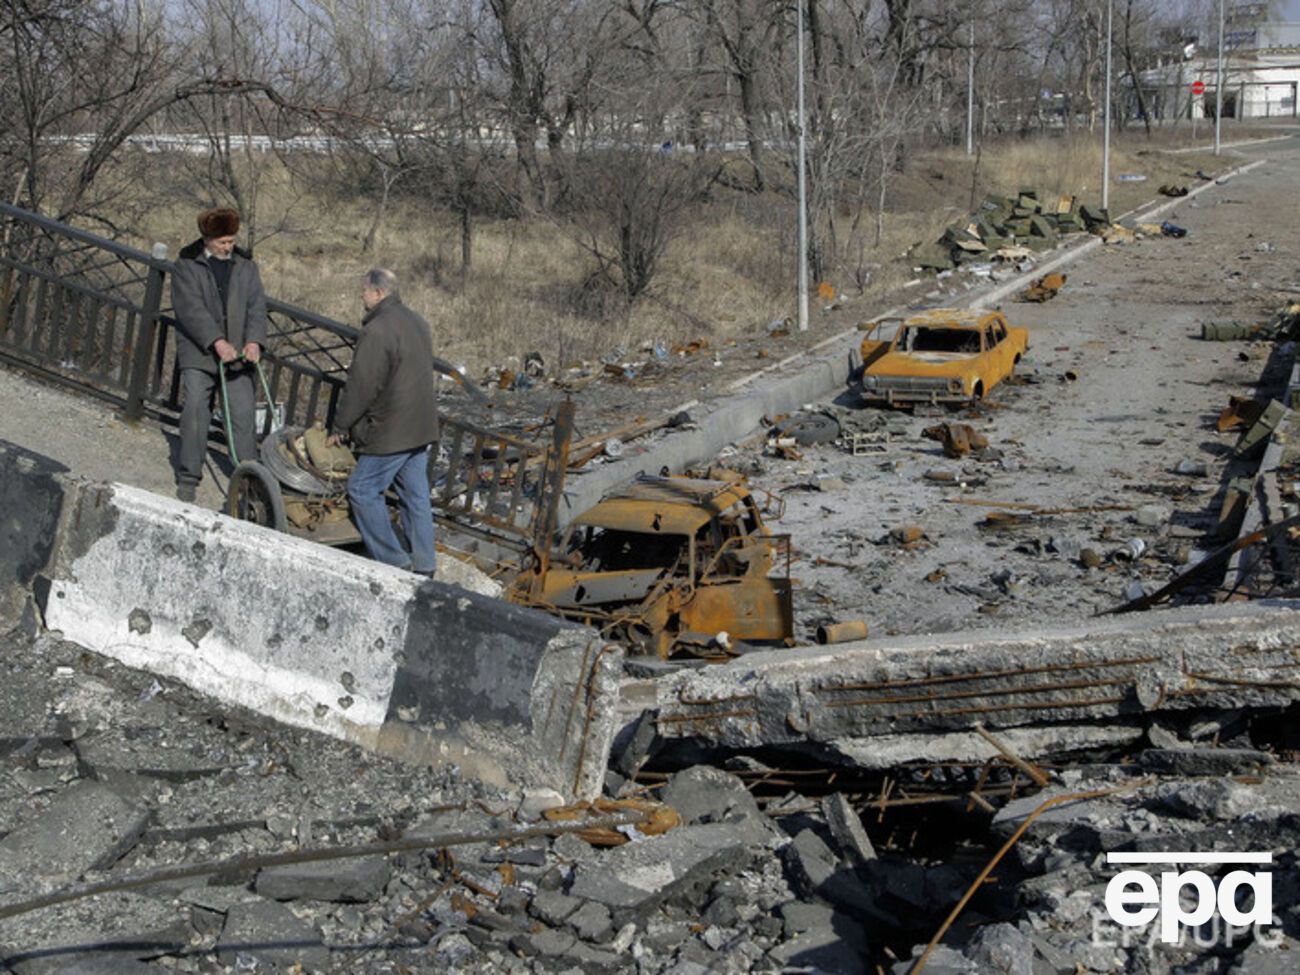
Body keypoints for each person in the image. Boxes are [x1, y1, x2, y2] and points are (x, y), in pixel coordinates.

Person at [328, 268, 438, 574]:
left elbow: (362, 384)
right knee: (415, 496)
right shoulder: (417, 321)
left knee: (362, 489)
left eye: (364, 290)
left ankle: (394, 562)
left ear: (378, 293)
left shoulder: (377, 330)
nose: (361, 296)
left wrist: (340, 425)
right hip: (421, 424)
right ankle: (425, 563)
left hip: (393, 427)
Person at [170, 207, 269, 502]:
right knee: (195, 410)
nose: (228, 247)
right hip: (199, 351)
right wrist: (216, 341)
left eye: (231, 241)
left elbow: (257, 306)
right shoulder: (186, 265)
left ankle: (248, 479)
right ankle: (189, 475)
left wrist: (254, 341)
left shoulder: (246, 266)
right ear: (207, 239)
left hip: (237, 353)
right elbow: (190, 309)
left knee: (242, 413)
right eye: (223, 242)